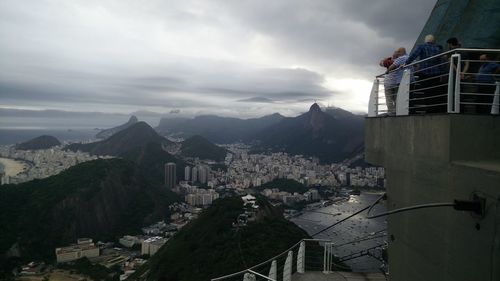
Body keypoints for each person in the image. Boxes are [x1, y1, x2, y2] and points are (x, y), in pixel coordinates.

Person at [406, 34, 446, 113]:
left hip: (425, 73)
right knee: (434, 92)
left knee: (426, 91)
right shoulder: (438, 48)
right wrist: (441, 72)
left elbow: (413, 56)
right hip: (436, 74)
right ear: (433, 41)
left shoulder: (421, 46)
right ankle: (433, 109)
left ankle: (429, 109)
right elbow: (441, 61)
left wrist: (406, 63)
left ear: (426, 40)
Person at [384, 48, 409, 115]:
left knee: (389, 98)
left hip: (389, 83)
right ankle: (396, 111)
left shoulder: (391, 62)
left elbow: (381, 63)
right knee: (396, 98)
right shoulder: (405, 59)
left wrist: (387, 70)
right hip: (396, 83)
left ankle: (391, 111)